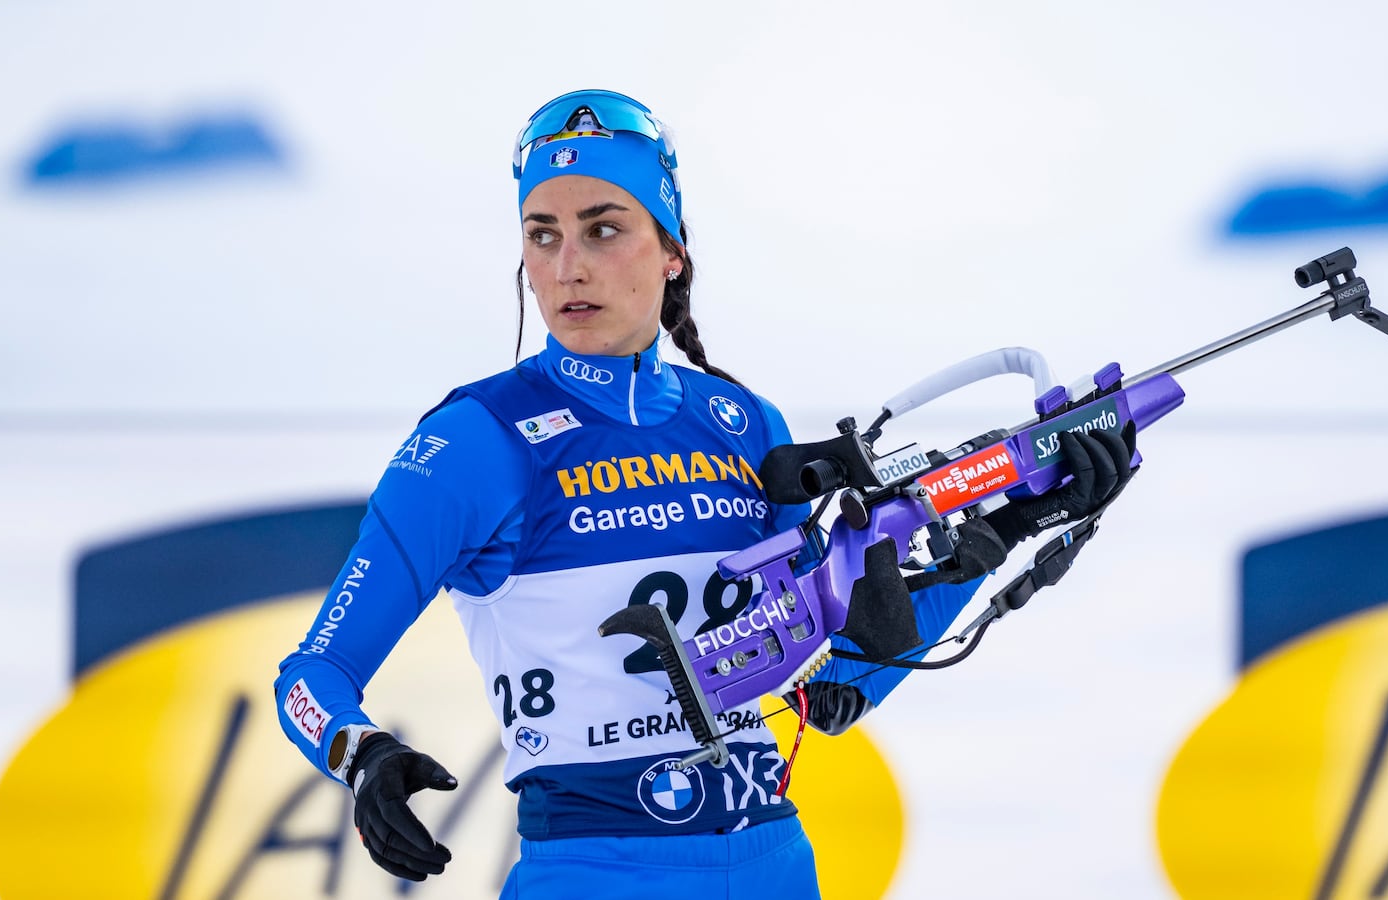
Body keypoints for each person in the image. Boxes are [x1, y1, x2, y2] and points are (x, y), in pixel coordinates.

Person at [273, 89, 1134, 898]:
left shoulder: (742, 422)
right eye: (542, 235)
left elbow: (836, 684)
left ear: (672, 250)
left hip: (772, 859)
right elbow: (313, 674)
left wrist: (1017, 523)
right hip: (592, 865)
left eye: (603, 229)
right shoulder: (475, 440)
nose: (567, 265)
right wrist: (364, 756)